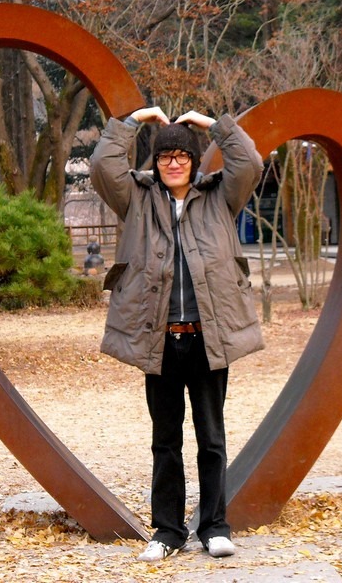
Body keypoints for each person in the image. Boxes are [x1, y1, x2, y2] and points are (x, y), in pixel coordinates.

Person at [89, 106, 264, 562]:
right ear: (155, 161)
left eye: (181, 155)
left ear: (194, 160)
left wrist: (213, 126)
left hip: (209, 337)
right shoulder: (137, 198)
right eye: (164, 155)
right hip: (159, 338)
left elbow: (250, 163)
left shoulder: (220, 197)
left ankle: (214, 526)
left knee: (212, 437)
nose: (172, 162)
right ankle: (167, 531)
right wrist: (132, 122)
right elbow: (102, 166)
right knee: (165, 440)